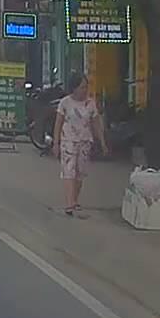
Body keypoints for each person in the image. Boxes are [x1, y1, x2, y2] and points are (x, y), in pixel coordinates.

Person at [53, 72, 107, 217]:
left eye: (86, 87)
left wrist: (102, 142)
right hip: (68, 141)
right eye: (82, 87)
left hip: (85, 141)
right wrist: (56, 143)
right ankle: (69, 203)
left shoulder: (91, 104)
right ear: (74, 88)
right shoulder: (65, 103)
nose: (85, 90)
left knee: (80, 172)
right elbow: (58, 124)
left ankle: (74, 199)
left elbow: (96, 124)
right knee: (69, 170)